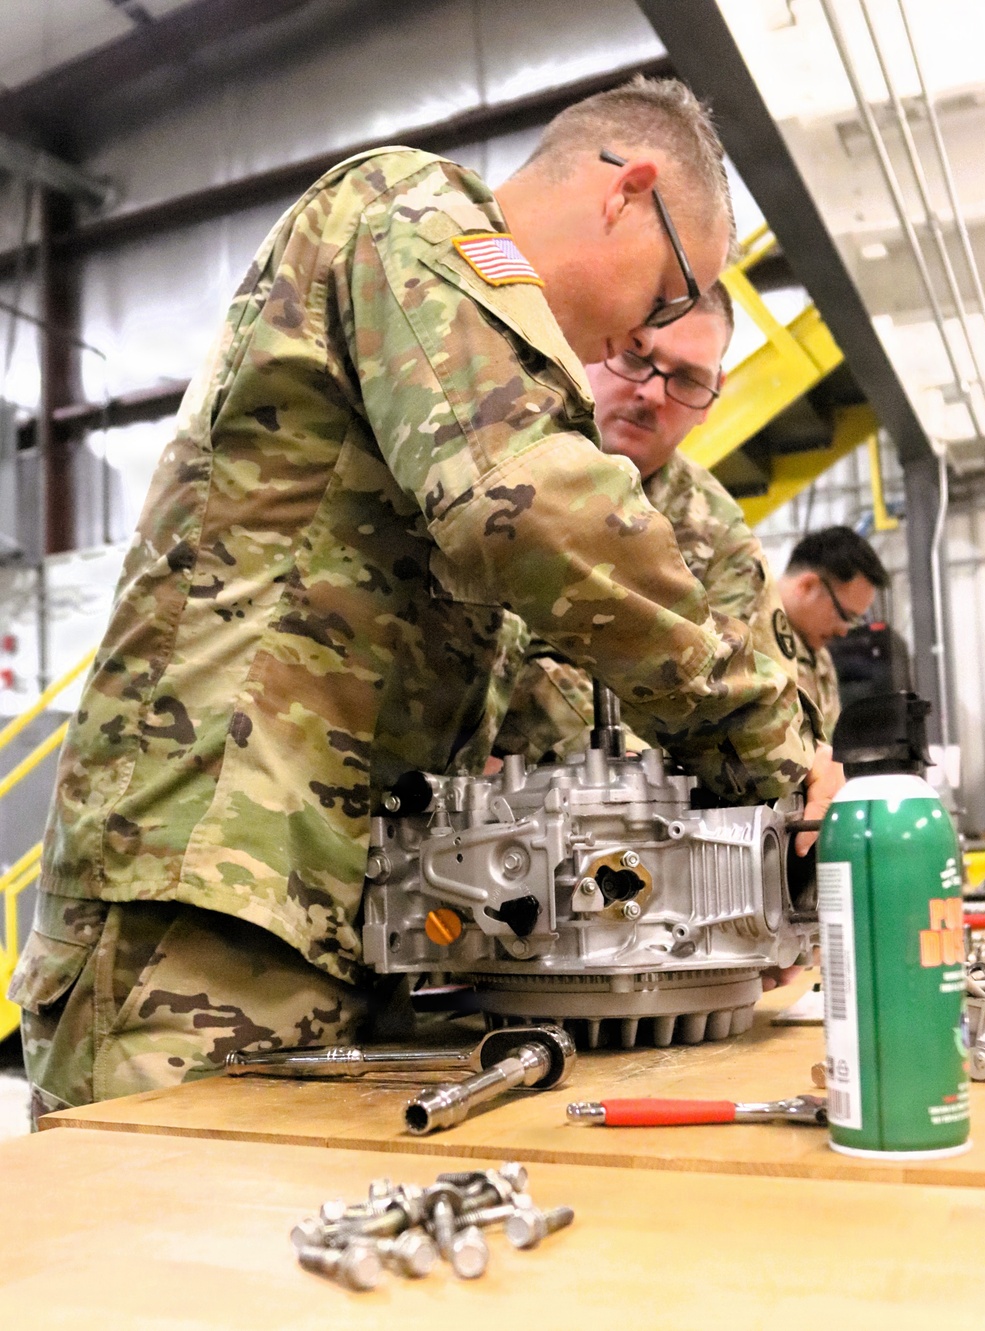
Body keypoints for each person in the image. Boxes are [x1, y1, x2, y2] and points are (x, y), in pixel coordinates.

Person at [11, 77, 828, 1117]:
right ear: (628, 191)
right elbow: (527, 510)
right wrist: (766, 738)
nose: (638, 332)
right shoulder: (409, 214)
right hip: (208, 896)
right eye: (665, 295)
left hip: (331, 910)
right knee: (159, 1214)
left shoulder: (488, 352)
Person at [493, 281, 822, 762]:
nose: (651, 393)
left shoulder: (718, 535)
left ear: (712, 397)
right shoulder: (497, 461)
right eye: (635, 358)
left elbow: (761, 701)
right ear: (595, 344)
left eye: (687, 380)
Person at [777, 527, 889, 738]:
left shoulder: (820, 657)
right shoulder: (744, 639)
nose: (843, 632)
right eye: (844, 615)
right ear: (807, 586)